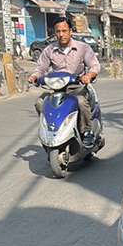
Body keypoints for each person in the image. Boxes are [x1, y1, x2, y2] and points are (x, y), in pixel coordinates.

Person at [28, 17, 100, 148]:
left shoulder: (83, 48)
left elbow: (94, 65)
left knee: (81, 102)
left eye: (64, 31)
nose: (61, 34)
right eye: (58, 31)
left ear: (70, 31)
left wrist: (89, 75)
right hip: (56, 89)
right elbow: (41, 68)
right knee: (39, 103)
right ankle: (50, 129)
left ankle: (87, 131)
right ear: (54, 33)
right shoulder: (49, 50)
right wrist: (34, 77)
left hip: (76, 87)